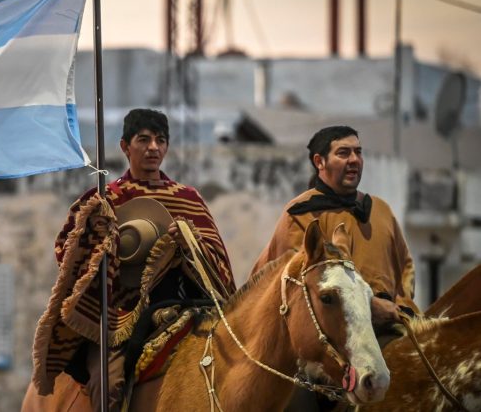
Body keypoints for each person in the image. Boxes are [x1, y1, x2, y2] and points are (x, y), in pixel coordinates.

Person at [25, 108, 236, 411]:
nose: (153, 148)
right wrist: (101, 243)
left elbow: (218, 263)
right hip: (121, 313)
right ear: (125, 146)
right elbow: (67, 252)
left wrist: (190, 243)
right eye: (144, 139)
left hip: (185, 306)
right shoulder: (103, 199)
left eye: (160, 140)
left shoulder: (188, 199)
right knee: (107, 381)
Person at [252, 125, 418, 315]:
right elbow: (302, 284)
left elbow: (406, 267)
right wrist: (368, 307)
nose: (354, 160)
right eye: (343, 153)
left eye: (358, 152)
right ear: (320, 162)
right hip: (334, 332)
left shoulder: (381, 210)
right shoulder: (300, 214)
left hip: (395, 321)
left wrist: (402, 306)